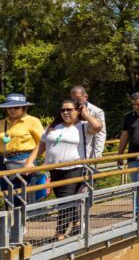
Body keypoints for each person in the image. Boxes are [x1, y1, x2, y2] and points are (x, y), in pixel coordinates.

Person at [39, 100, 103, 239]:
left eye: (69, 110)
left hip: (74, 168)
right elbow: (42, 144)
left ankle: (60, 233)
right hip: (55, 169)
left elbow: (98, 126)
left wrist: (85, 113)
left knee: (64, 201)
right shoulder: (54, 126)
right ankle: (77, 223)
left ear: (77, 110)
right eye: (63, 110)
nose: (65, 112)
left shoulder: (84, 126)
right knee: (66, 199)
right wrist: (31, 162)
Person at [0, 93, 44, 200]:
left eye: (16, 107)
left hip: (25, 160)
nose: (12, 110)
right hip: (4, 161)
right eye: (9, 107)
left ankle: (24, 216)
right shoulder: (2, 123)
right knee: (8, 194)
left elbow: (43, 142)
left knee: (23, 194)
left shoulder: (32, 121)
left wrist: (31, 161)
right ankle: (11, 216)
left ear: (24, 108)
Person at [69, 85, 106, 159]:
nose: (75, 102)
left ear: (85, 97)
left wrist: (97, 154)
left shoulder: (97, 111)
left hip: (90, 152)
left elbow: (100, 134)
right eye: (73, 100)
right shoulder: (68, 110)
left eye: (78, 99)